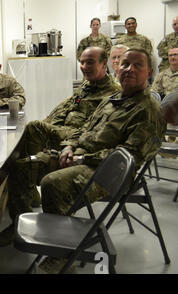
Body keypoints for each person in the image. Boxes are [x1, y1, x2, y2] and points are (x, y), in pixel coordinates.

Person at [36, 49, 165, 273]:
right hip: (84, 158)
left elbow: (126, 158)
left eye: (137, 65)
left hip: (112, 174)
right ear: (116, 68)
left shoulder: (149, 111)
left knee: (53, 183)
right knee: (26, 166)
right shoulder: (111, 99)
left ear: (150, 72)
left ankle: (61, 257)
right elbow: (85, 129)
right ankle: (34, 228)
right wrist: (70, 146)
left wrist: (82, 158)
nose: (129, 69)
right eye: (125, 64)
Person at [0, 47, 120, 247]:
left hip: (79, 139)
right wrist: (49, 124)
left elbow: (96, 131)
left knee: (34, 128)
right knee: (35, 128)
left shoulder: (113, 93)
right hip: (68, 133)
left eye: (90, 62)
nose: (84, 67)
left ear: (104, 64)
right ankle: (28, 193)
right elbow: (65, 108)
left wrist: (63, 140)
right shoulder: (87, 86)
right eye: (82, 62)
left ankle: (27, 193)